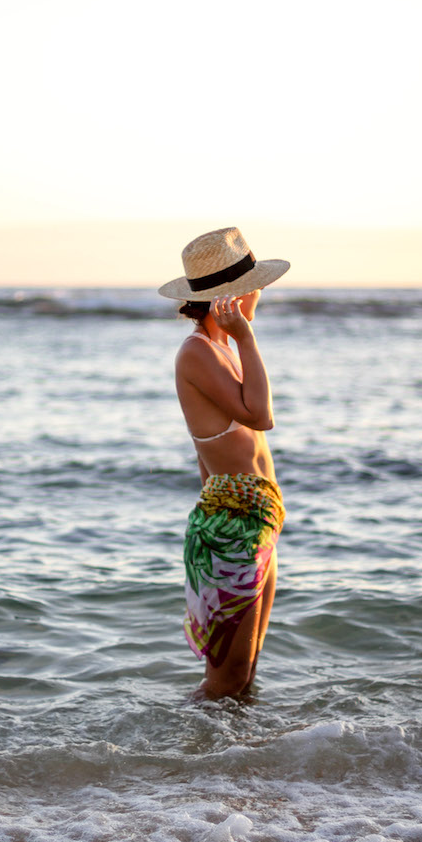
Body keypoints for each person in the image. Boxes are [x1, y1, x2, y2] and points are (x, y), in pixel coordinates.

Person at [159, 228, 290, 699]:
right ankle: (177, 759)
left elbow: (205, 453)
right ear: (233, 295)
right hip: (233, 521)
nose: (261, 294)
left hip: (254, 517)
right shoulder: (197, 352)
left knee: (246, 673)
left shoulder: (218, 350)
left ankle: (235, 769)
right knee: (225, 680)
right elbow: (261, 416)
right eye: (255, 285)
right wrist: (248, 337)